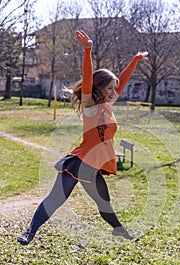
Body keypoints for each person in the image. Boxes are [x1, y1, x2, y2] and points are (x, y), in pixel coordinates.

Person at [17, 29, 148, 245]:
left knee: (104, 204)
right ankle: (29, 233)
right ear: (99, 88)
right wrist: (88, 51)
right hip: (80, 161)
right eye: (109, 88)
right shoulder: (90, 106)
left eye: (115, 88)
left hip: (95, 166)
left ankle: (119, 230)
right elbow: (88, 78)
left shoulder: (108, 104)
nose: (115, 92)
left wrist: (135, 59)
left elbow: (122, 81)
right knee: (56, 199)